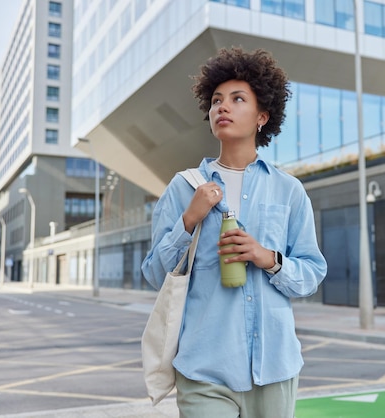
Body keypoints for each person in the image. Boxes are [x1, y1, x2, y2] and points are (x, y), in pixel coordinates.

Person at [141, 47, 327, 418]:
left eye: (237, 99)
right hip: (204, 369)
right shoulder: (183, 188)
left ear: (262, 116)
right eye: (215, 101)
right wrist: (188, 221)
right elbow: (153, 274)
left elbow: (311, 273)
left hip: (274, 369)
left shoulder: (288, 190)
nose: (222, 107)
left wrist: (268, 259)